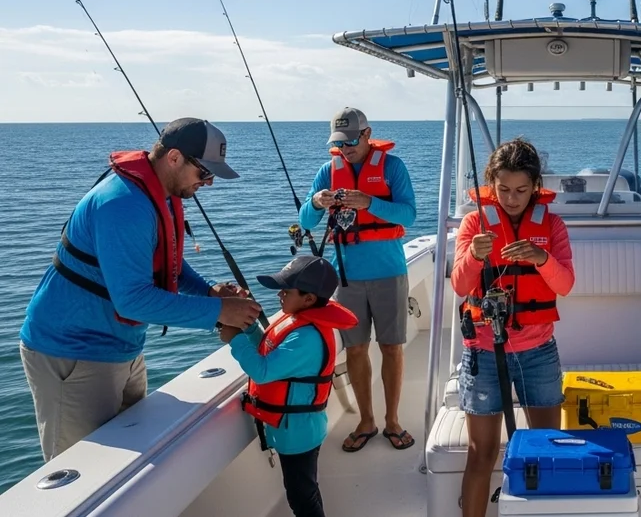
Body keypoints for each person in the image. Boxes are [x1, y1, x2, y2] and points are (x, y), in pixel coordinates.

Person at [19, 117, 262, 461]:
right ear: (174, 158)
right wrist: (220, 311)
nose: (208, 183)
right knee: (85, 472)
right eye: (204, 173)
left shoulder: (159, 195)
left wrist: (208, 292)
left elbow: (168, 262)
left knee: (123, 463)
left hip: (122, 349)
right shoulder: (124, 206)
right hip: (72, 355)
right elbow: (133, 301)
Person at [452, 138, 576, 517]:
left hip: (538, 351)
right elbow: (459, 285)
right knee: (482, 452)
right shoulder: (476, 222)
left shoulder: (552, 225)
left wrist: (541, 257)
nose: (511, 198)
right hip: (484, 353)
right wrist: (474, 255)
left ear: (536, 186)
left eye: (521, 190)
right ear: (491, 185)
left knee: (544, 446)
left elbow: (565, 284)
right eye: (503, 189)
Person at [299, 107, 418, 452]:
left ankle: (392, 421)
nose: (346, 148)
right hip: (347, 277)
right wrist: (317, 202)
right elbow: (305, 220)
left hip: (389, 272)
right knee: (355, 348)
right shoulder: (327, 171)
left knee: (392, 347)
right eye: (340, 142)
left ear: (367, 134)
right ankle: (366, 421)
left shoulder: (393, 168)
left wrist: (370, 202)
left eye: (352, 140)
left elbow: (408, 213)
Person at [225, 255, 357, 517]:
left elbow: (263, 371)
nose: (280, 295)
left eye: (286, 290)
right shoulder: (298, 319)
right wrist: (249, 329)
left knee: (302, 498)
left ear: (308, 299)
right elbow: (270, 349)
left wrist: (235, 340)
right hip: (293, 428)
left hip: (298, 434)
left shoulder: (306, 336)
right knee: (303, 490)